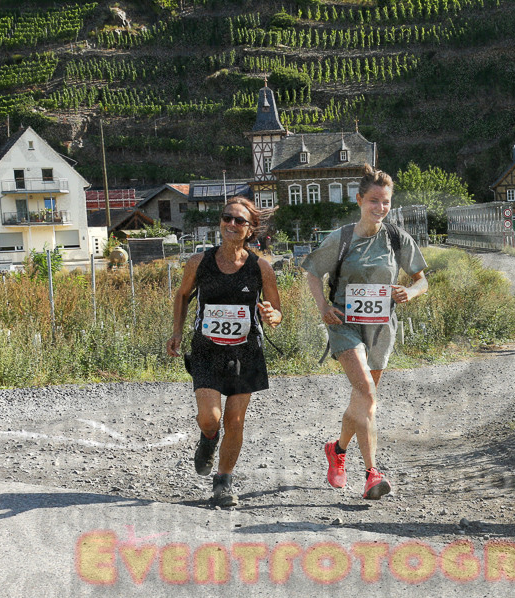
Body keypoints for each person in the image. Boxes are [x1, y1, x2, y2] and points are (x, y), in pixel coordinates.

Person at [302, 164, 428, 500]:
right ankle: (373, 474)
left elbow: (421, 280)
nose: (380, 208)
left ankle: (338, 449)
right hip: (346, 326)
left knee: (361, 398)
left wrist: (410, 292)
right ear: (359, 200)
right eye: (374, 201)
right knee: (369, 396)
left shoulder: (397, 238)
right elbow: (313, 273)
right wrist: (324, 308)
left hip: (382, 328)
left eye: (385, 202)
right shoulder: (342, 238)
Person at [166, 197, 283, 507]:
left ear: (250, 229)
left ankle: (223, 482)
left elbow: (277, 309)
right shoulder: (199, 262)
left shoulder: (261, 267)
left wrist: (273, 316)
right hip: (206, 349)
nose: (231, 224)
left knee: (235, 420)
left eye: (239, 220)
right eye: (226, 218)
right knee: (210, 418)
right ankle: (207, 440)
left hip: (247, 351)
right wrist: (177, 331)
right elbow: (182, 295)